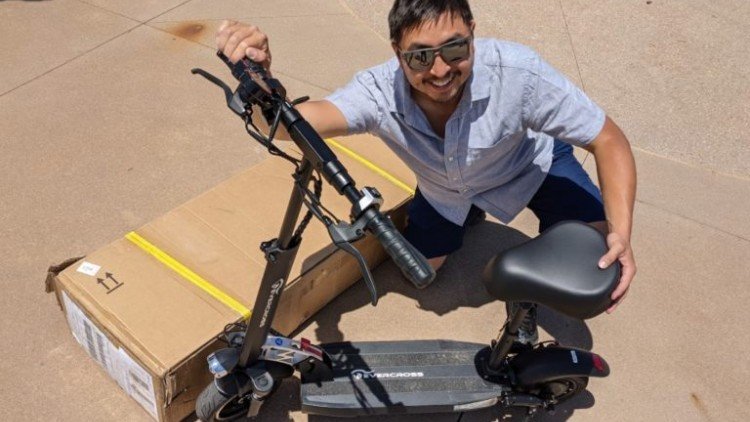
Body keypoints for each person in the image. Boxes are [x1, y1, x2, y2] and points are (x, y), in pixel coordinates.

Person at [216, 0, 637, 344]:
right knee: (421, 271)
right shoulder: (377, 92)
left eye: (455, 49)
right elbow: (292, 127)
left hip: (529, 165)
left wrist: (621, 232)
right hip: (445, 189)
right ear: (396, 51)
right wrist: (262, 81)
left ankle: (523, 300)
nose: (439, 71)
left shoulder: (518, 73)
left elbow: (608, 140)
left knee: (599, 257)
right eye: (419, 56)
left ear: (473, 33)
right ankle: (468, 213)